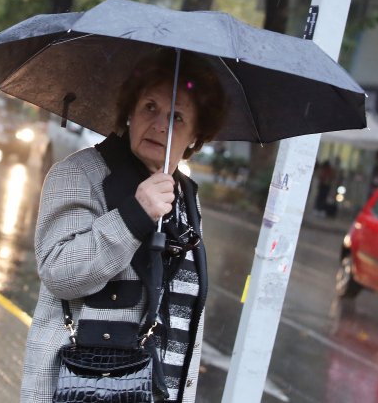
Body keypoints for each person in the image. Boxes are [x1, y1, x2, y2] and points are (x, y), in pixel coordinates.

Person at [20, 50, 228, 403]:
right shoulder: (79, 175)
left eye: (176, 117)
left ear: (196, 136)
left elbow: (181, 321)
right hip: (83, 388)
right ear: (129, 112)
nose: (160, 124)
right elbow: (59, 272)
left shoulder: (186, 197)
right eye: (150, 107)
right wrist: (135, 215)